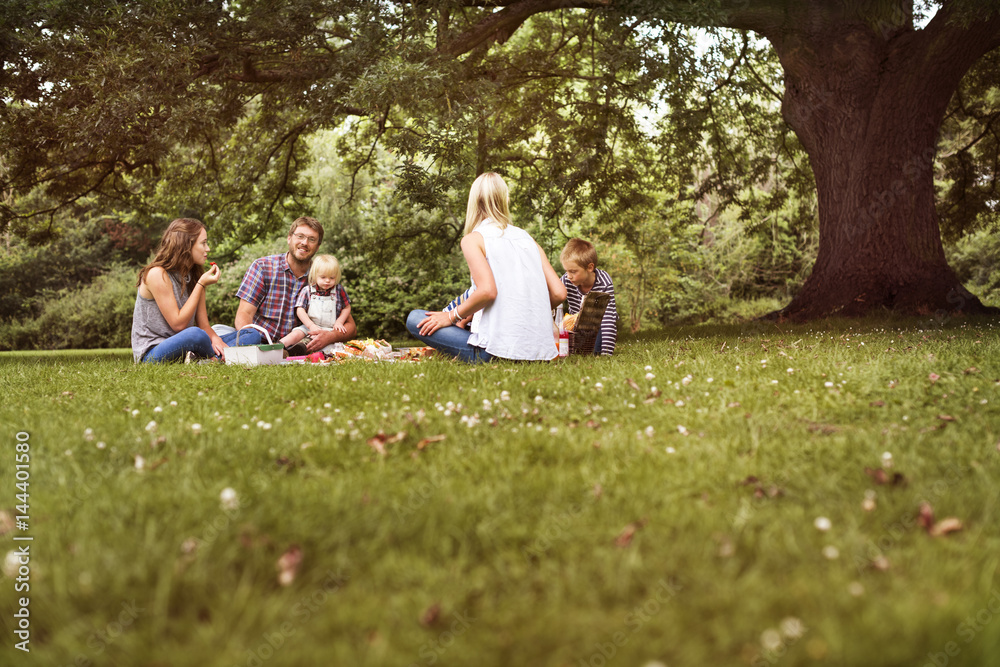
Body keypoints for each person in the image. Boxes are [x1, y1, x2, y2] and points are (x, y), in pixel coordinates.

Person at [405, 172, 566, 362]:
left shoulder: (473, 240)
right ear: (505, 200)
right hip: (540, 353)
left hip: (495, 352)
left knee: (415, 318)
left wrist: (451, 316)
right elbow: (559, 293)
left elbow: (488, 291)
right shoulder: (527, 238)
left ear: (473, 201)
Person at [131, 218, 254, 363]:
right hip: (153, 352)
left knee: (251, 334)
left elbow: (204, 325)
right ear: (186, 245)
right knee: (196, 335)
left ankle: (209, 358)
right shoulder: (157, 274)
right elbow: (178, 325)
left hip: (187, 347)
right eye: (203, 243)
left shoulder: (194, 275)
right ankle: (217, 357)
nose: (207, 248)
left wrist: (216, 340)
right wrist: (201, 284)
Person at [234, 217, 357, 351]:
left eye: (311, 239)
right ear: (289, 238)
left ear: (317, 246)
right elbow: (244, 314)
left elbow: (350, 327)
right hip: (262, 343)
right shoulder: (263, 267)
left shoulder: (323, 276)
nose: (304, 242)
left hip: (300, 347)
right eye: (300, 236)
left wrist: (329, 336)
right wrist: (251, 346)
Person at [279, 254, 352, 354]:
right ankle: (279, 346)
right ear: (314, 275)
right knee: (296, 333)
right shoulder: (307, 290)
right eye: (323, 277)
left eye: (332, 278)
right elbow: (300, 310)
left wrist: (339, 322)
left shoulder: (338, 290)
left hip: (329, 329)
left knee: (325, 347)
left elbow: (347, 307)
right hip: (309, 326)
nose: (327, 281)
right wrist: (311, 325)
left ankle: (297, 350)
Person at [559, 237, 618, 355]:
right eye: (567, 271)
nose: (568, 276)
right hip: (577, 326)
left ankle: (598, 349)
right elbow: (555, 298)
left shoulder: (604, 282)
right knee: (578, 351)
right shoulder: (566, 280)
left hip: (598, 325)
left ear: (590, 267)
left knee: (595, 351)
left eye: (573, 271)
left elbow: (608, 320)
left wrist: (606, 353)